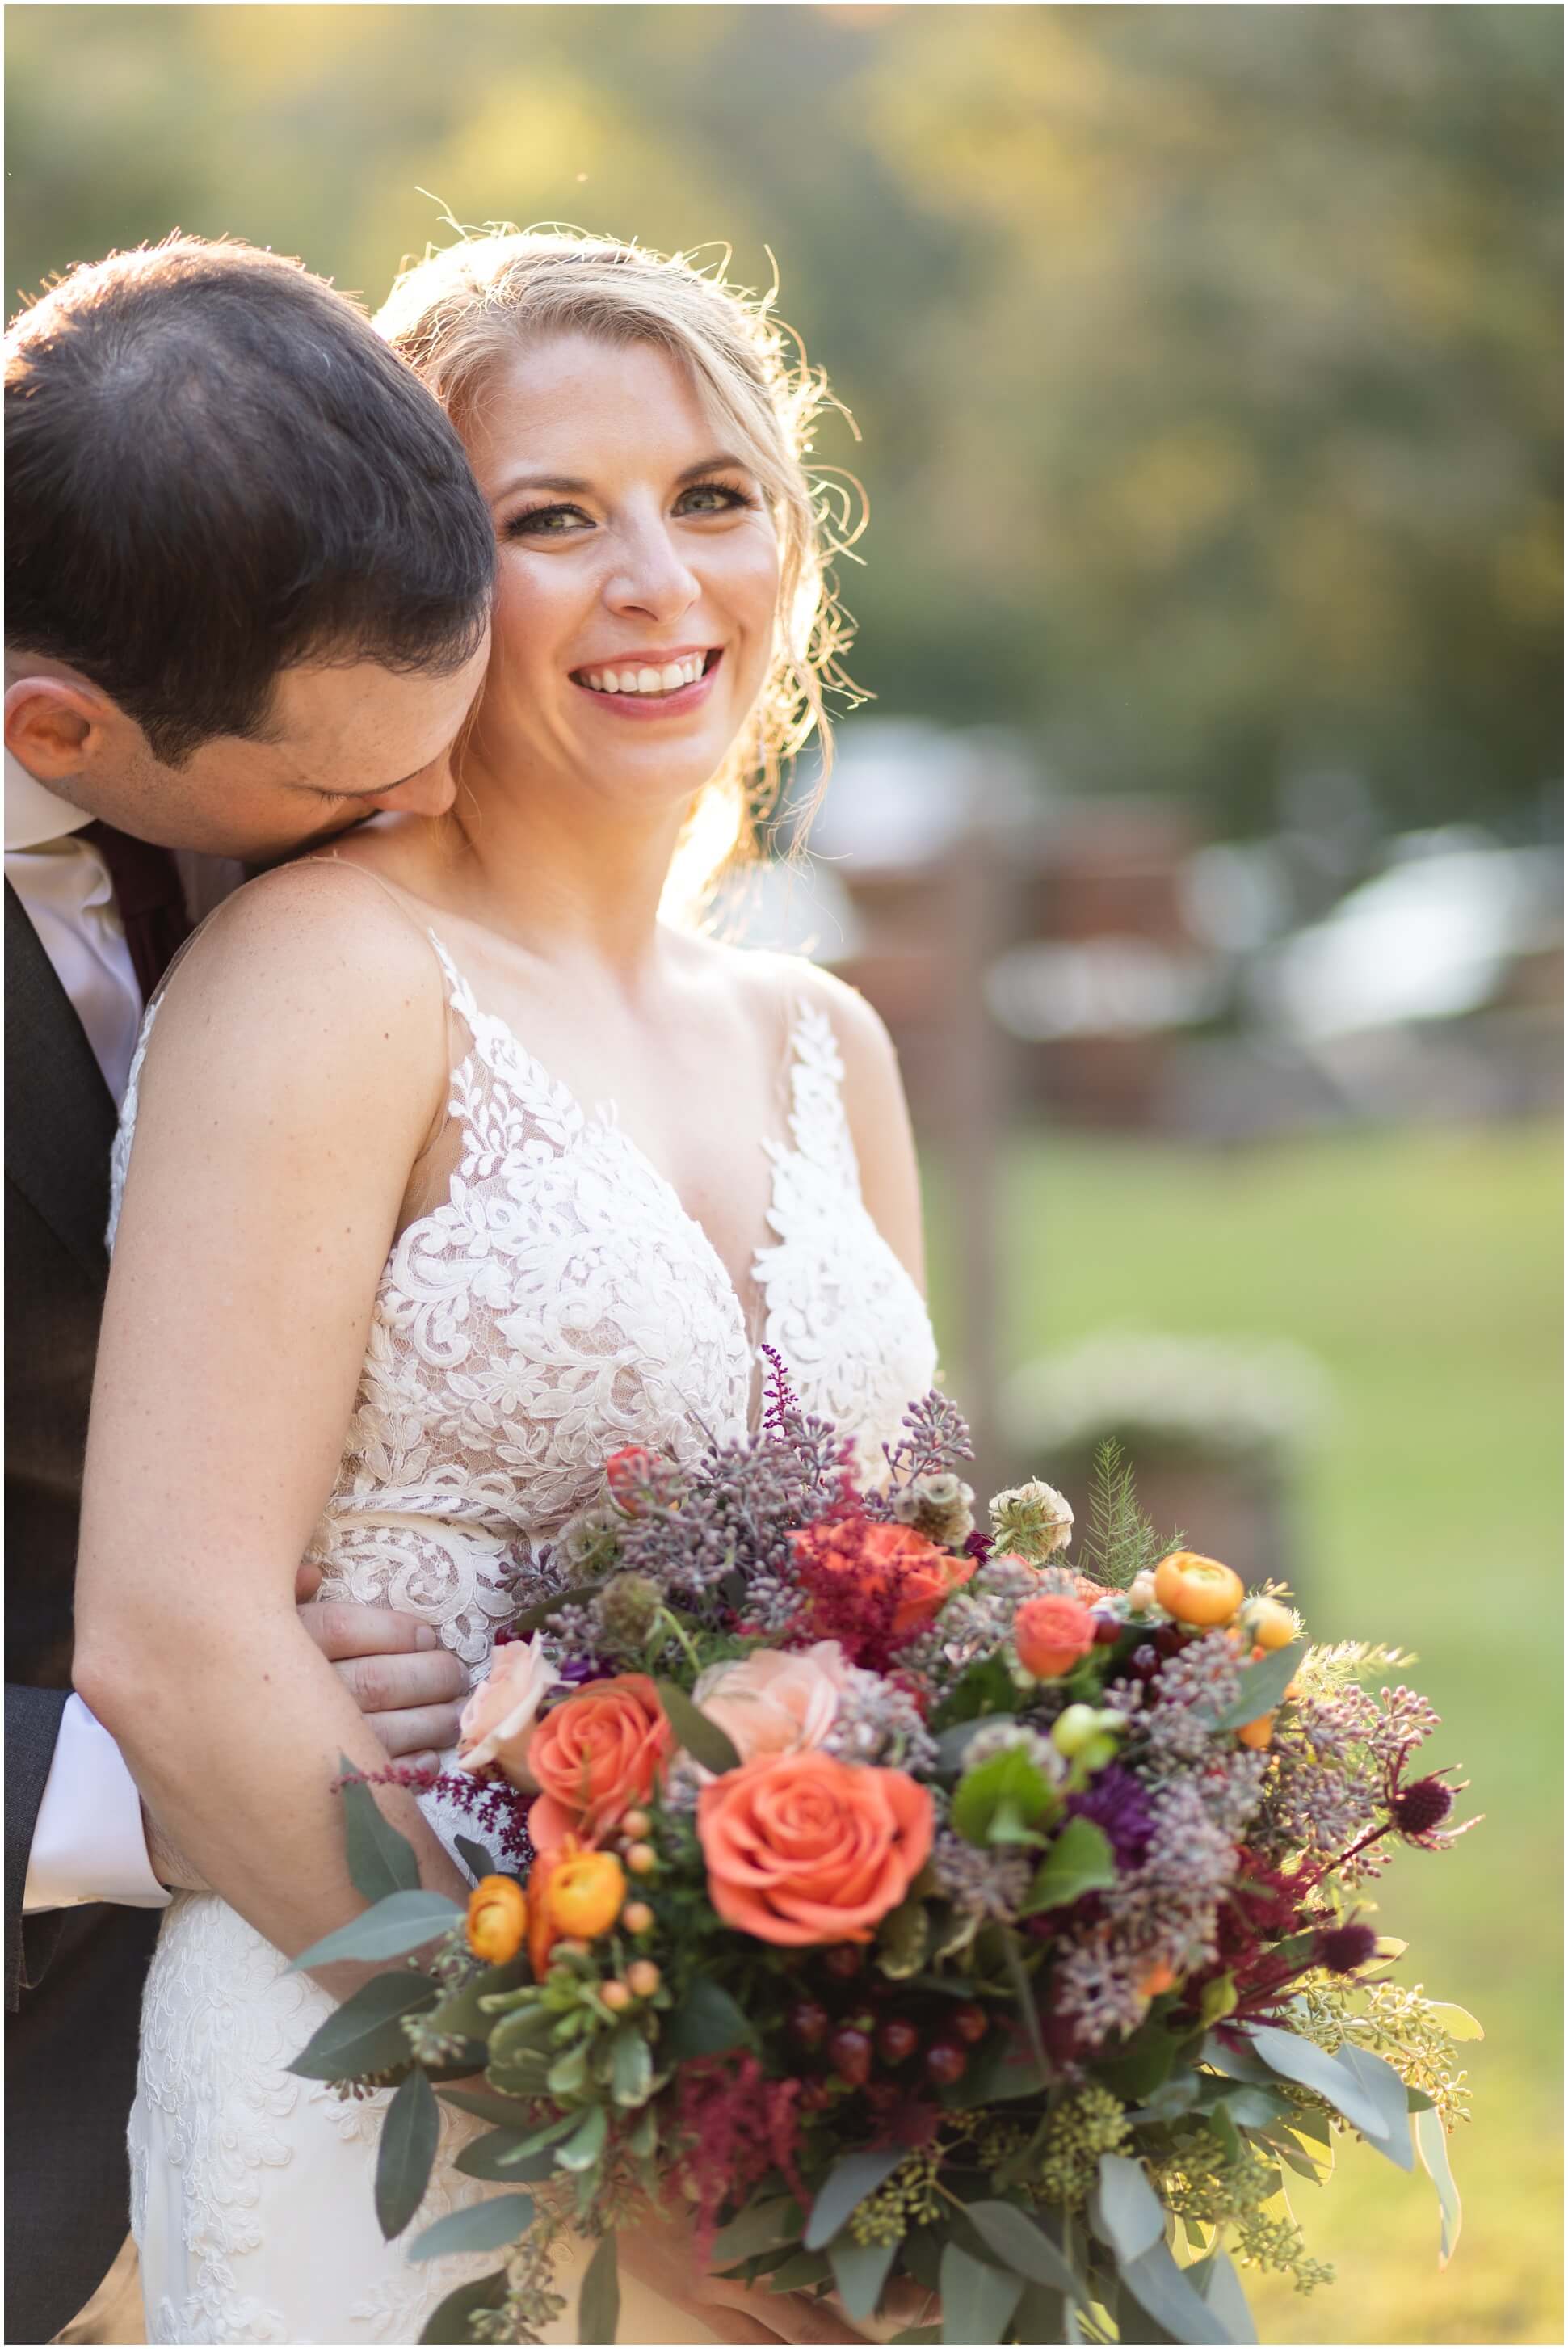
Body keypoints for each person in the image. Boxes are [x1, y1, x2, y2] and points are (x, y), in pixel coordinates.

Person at [74, 229, 939, 2346]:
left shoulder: (831, 1040)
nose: (659, 582)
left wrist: (951, 2072)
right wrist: (611, 2150)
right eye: (552, 520)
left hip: (785, 2122)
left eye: (710, 496)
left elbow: (914, 1619)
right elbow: (179, 1646)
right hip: (384, 2104)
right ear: (435, 590)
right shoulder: (326, 977)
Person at [4, 235, 499, 2347]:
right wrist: (183, 1764)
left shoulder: (253, 684)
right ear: (59, 722)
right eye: (351, 794)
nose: (436, 812)